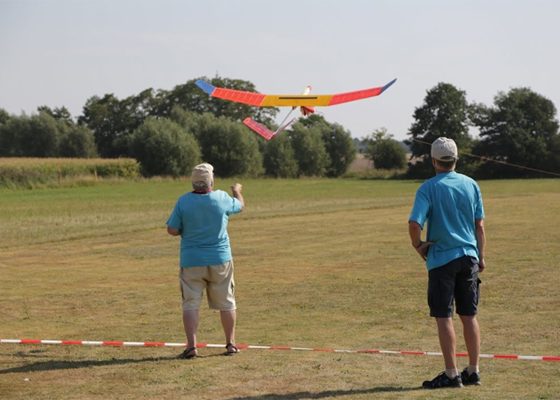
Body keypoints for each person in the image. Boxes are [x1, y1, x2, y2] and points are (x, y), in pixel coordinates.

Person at [408, 137, 486, 389]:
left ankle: (452, 374)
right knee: (469, 315)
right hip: (469, 257)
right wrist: (480, 257)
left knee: (444, 316)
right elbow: (480, 226)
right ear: (455, 160)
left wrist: (418, 245)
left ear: (433, 161)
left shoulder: (428, 188)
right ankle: (473, 371)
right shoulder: (471, 184)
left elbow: (414, 223)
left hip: (442, 259)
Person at [166, 162, 244, 359]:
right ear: (211, 180)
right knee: (227, 302)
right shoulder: (222, 198)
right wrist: (237, 191)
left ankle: (191, 347)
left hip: (191, 260)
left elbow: (172, 229)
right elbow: (240, 206)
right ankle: (231, 344)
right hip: (220, 259)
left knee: (190, 303)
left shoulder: (183, 201)